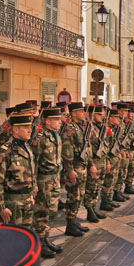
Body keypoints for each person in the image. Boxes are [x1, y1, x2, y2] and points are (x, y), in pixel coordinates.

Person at [0, 113, 37, 228]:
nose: (30, 130)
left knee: (26, 238)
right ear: (15, 129)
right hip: (12, 206)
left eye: (30, 127)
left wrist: (33, 188)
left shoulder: (26, 147)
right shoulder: (5, 152)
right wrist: (0, 207)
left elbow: (30, 169)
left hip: (27, 203)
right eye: (26, 127)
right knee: (11, 240)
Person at [32, 107, 64, 258]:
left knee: (52, 210)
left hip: (54, 178)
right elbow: (34, 162)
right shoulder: (41, 138)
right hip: (44, 179)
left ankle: (46, 237)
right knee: (42, 211)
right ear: (48, 121)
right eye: (57, 120)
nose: (60, 122)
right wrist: (34, 184)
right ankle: (39, 241)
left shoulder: (56, 135)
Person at [62, 102, 96, 237]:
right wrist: (70, 170)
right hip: (75, 166)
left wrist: (90, 163)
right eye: (81, 111)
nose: (83, 113)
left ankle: (74, 220)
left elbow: (88, 147)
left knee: (80, 196)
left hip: (82, 166)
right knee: (73, 196)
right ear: (74, 113)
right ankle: (69, 224)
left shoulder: (81, 127)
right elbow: (67, 150)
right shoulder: (69, 129)